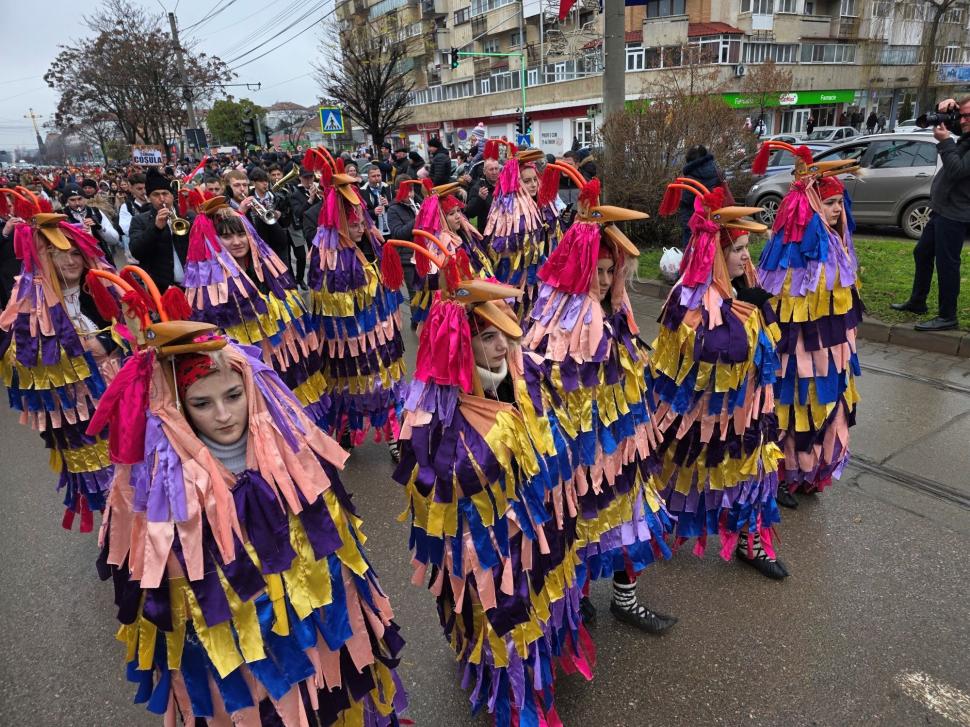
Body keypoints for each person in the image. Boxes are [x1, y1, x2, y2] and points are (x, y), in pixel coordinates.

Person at [87, 322, 408, 724]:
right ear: (179, 408)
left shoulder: (295, 457)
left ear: (250, 389)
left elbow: (342, 554)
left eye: (233, 396)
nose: (223, 415)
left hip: (320, 635)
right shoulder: (164, 493)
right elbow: (170, 606)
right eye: (202, 404)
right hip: (243, 658)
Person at [388, 253, 592, 724]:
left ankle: (534, 671)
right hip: (482, 546)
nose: (502, 345)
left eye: (505, 332)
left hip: (537, 528)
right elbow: (433, 492)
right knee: (495, 612)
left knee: (537, 596)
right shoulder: (433, 415)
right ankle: (507, 692)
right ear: (463, 343)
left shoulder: (531, 380)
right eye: (487, 337)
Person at [524, 162, 675, 632]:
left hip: (621, 440)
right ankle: (582, 596)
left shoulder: (612, 311)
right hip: (583, 447)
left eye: (612, 271)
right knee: (584, 523)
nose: (606, 280)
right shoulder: (563, 320)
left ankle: (624, 598)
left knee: (632, 514)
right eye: (599, 270)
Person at [655, 178, 788, 579]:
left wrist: (751, 305)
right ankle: (661, 526)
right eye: (738, 250)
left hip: (747, 409)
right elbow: (705, 347)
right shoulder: (687, 297)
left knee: (755, 469)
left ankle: (751, 539)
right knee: (682, 468)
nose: (746, 259)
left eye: (747, 250)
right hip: (699, 412)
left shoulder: (747, 287)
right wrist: (739, 313)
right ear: (714, 252)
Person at [0, 196, 126, 531]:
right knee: (98, 474)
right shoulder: (27, 304)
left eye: (75, 253)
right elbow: (19, 362)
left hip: (118, 392)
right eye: (61, 253)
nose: (71, 261)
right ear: (45, 257)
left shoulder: (100, 288)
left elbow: (131, 331)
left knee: (134, 462)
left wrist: (105, 341)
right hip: (74, 407)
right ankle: (115, 528)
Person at [752, 140, 864, 504]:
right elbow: (780, 300)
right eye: (829, 204)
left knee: (824, 405)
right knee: (791, 407)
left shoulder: (838, 244)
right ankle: (782, 473)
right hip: (795, 349)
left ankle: (810, 469)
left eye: (838, 204)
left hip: (830, 349)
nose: (836, 210)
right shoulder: (795, 245)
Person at [183, 196, 329, 427]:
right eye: (227, 236)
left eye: (241, 234)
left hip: (289, 363)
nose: (237, 242)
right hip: (252, 372)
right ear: (214, 242)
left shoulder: (268, 272)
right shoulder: (209, 290)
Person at [305, 150, 406, 460]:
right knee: (346, 384)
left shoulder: (373, 244)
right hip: (344, 339)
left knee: (383, 380)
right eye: (353, 224)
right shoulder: (327, 256)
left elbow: (388, 286)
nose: (360, 228)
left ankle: (393, 435)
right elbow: (322, 302)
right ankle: (347, 430)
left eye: (362, 222)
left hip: (378, 332)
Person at [891, 96, 970, 331]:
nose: (962, 120)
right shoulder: (966, 130)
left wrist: (945, 142)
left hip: (956, 213)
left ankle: (948, 316)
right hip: (942, 208)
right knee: (922, 253)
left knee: (948, 264)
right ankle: (917, 302)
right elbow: (947, 123)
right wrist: (942, 108)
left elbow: (957, 171)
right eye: (962, 114)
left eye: (967, 116)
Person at [485, 146, 561, 317]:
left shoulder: (544, 206)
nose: (533, 184)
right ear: (516, 183)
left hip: (542, 276)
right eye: (527, 181)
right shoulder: (510, 214)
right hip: (517, 280)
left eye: (535, 179)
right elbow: (502, 252)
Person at [404, 181, 491, 327]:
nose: (458, 216)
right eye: (451, 213)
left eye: (458, 211)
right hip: (451, 312)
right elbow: (436, 286)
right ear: (441, 219)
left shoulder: (466, 238)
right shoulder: (438, 247)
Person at [129, 167, 189, 293]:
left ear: (172, 196)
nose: (162, 199)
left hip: (192, 283)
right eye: (156, 195)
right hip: (162, 288)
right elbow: (136, 251)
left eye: (165, 194)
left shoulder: (186, 215)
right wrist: (155, 228)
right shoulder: (139, 220)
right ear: (149, 198)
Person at [677, 145, 724, 248]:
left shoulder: (690, 178)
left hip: (694, 222)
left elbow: (685, 202)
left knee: (692, 253)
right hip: (714, 219)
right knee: (712, 251)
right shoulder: (716, 171)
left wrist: (686, 225)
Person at [61, 184, 120, 259]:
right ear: (66, 200)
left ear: (84, 198)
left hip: (102, 257)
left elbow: (114, 240)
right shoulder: (62, 216)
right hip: (79, 259)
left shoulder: (95, 211)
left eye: (80, 199)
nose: (77, 203)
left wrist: (100, 227)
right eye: (72, 200)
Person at [465, 156, 499, 235]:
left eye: (496, 169)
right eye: (491, 169)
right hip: (487, 233)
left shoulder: (504, 185)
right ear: (484, 171)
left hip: (505, 230)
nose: (494, 172)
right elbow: (470, 213)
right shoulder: (477, 187)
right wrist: (480, 199)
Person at [361, 164, 391, 236]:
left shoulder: (388, 188)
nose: (377, 178)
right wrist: (373, 212)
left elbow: (396, 205)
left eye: (378, 175)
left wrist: (388, 204)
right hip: (373, 229)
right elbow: (361, 212)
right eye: (373, 176)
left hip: (389, 227)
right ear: (368, 178)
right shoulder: (362, 191)